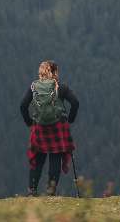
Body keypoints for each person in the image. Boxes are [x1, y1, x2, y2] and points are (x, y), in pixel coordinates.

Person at [20, 60, 79, 196]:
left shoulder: (33, 87)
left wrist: (29, 122)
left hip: (39, 128)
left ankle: (32, 190)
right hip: (58, 127)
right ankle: (50, 191)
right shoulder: (61, 88)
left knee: (38, 158)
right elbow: (75, 102)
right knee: (55, 157)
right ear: (54, 72)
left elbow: (23, 105)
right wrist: (70, 119)